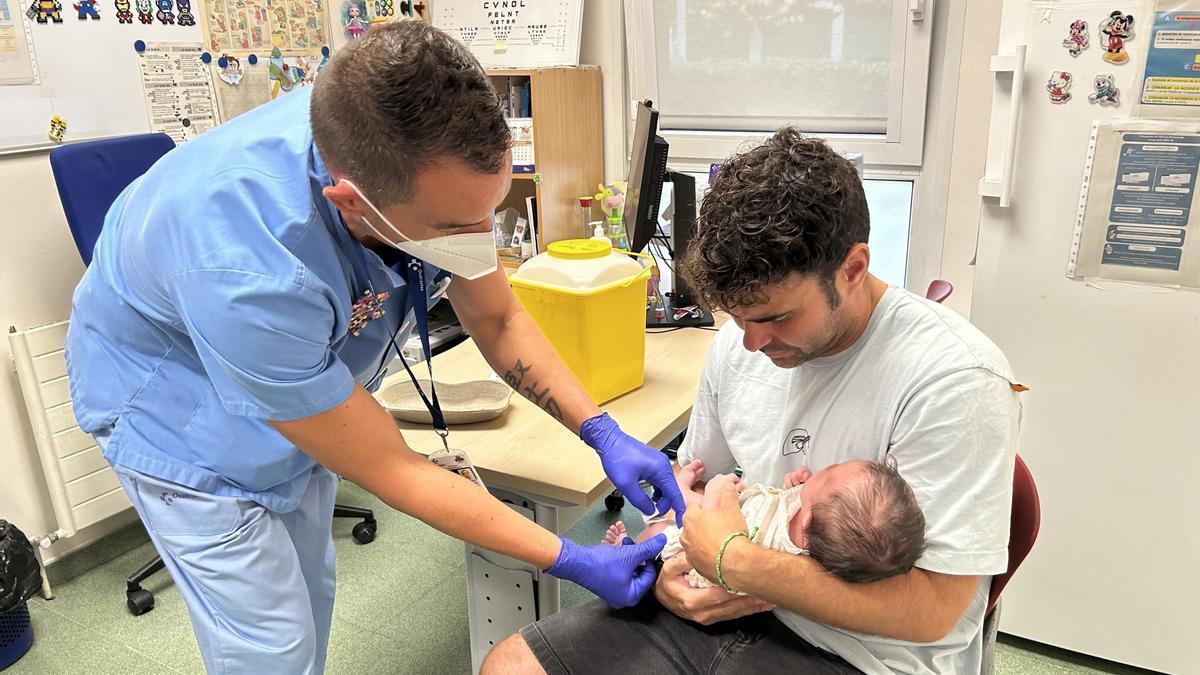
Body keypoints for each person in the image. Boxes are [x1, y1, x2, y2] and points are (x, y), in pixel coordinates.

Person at [64, 22, 683, 674]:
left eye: (491, 210)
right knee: (271, 646)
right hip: (178, 417)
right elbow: (396, 469)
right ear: (351, 203)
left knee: (311, 596)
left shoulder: (395, 142)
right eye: (456, 227)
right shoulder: (249, 268)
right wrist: (571, 558)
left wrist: (602, 431)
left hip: (294, 376)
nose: (479, 239)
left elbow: (498, 318)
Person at [486, 129, 1021, 674]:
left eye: (776, 317)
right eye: (739, 317)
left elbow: (933, 612)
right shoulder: (739, 346)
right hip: (718, 606)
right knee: (509, 665)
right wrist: (670, 572)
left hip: (861, 653)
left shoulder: (954, 379)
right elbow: (692, 492)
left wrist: (733, 560)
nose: (751, 343)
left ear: (853, 270)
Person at [604, 458, 926, 588]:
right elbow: (789, 504)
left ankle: (628, 552)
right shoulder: (813, 526)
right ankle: (678, 497)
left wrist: (717, 489)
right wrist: (796, 487)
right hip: (740, 511)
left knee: (665, 532)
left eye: (829, 472)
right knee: (681, 509)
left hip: (703, 555)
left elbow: (713, 530)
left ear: (808, 520)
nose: (828, 465)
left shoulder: (776, 544)